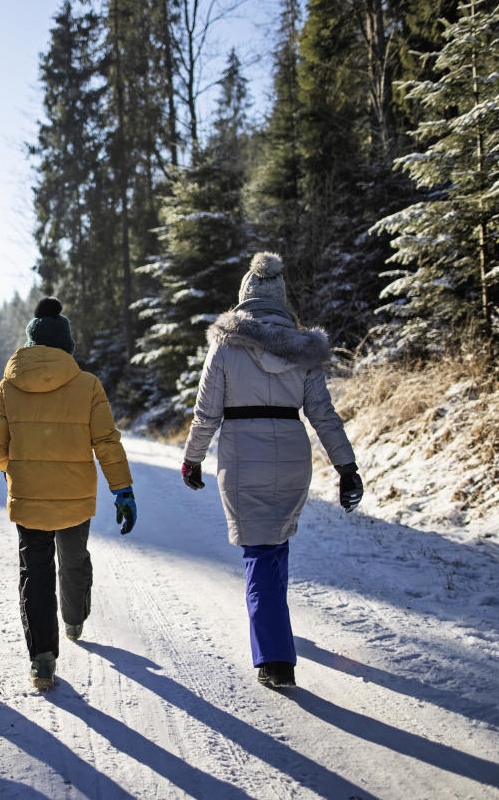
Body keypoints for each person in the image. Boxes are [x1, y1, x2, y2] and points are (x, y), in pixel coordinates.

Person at [180, 252, 363, 689]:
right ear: (281, 300)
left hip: (243, 454)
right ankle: (276, 627)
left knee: (258, 552)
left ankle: (275, 659)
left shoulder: (225, 346)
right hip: (293, 453)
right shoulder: (303, 350)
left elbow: (206, 413)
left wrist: (193, 458)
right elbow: (323, 414)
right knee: (276, 543)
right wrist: (346, 465)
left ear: (244, 299)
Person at [0, 297, 135, 692]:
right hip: (75, 497)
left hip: (29, 497)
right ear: (67, 346)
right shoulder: (87, 385)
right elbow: (106, 441)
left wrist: (11, 469)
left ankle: (42, 659)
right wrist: (123, 489)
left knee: (35, 572)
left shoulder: (8, 387)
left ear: (32, 345)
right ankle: (74, 619)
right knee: (73, 558)